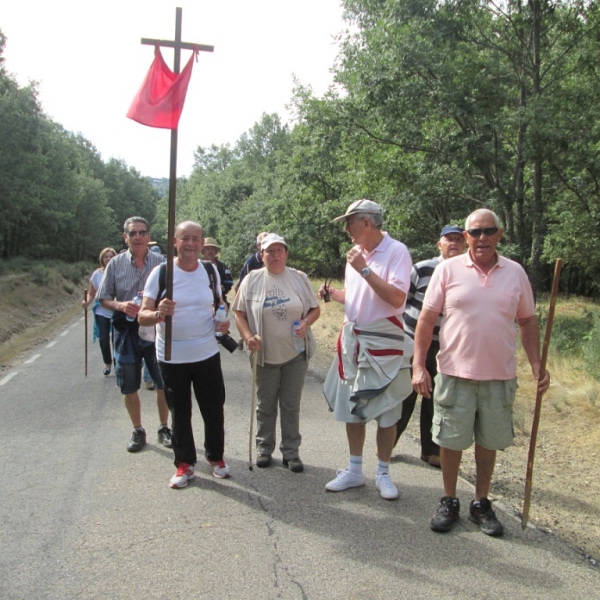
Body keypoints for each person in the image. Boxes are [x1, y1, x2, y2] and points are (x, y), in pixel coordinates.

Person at [412, 208, 550, 536]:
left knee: (488, 442)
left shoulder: (515, 273)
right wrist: (419, 365)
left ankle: (480, 502)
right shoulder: (448, 270)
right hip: (454, 372)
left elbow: (528, 321)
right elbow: (426, 319)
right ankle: (449, 499)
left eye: (489, 231)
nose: (482, 238)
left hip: (498, 375)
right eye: (475, 232)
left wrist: (535, 364)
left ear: (500, 234)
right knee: (451, 439)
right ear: (467, 236)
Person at [319, 199, 413, 500]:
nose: (346, 228)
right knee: (352, 407)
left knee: (387, 411)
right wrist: (334, 294)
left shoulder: (397, 251)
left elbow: (397, 299)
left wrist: (364, 270)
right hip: (355, 342)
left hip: (385, 344)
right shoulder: (355, 256)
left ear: (367, 223)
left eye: (350, 222)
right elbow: (358, 297)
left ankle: (383, 473)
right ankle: (355, 470)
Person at [139, 221, 231, 488]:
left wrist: (221, 319)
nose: (190, 243)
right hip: (172, 355)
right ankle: (184, 464)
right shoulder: (162, 273)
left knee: (213, 409)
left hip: (206, 352)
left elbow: (219, 302)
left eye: (195, 239)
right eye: (185, 238)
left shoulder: (209, 270)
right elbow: (142, 317)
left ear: (203, 244)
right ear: (175, 242)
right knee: (180, 412)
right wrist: (158, 313)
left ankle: (216, 457)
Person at [233, 233, 320, 473]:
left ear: (286, 253)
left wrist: (306, 323)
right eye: (270, 251)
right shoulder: (252, 279)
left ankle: (291, 453)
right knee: (265, 404)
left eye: (279, 250)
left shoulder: (299, 278)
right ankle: (264, 448)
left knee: (291, 405)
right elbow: (238, 313)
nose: (275, 255)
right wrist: (248, 337)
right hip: (264, 354)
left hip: (295, 354)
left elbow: (314, 309)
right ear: (261, 255)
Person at [97, 216, 172, 453]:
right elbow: (103, 297)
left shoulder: (163, 263)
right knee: (129, 384)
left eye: (142, 232)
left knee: (162, 382)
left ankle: (164, 427)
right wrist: (120, 305)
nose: (138, 237)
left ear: (149, 236)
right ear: (125, 237)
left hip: (155, 329)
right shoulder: (115, 264)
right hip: (125, 331)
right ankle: (138, 430)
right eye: (133, 233)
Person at [394, 225, 467, 467]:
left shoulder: (469, 273)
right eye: (449, 239)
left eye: (459, 239)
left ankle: (430, 450)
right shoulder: (422, 268)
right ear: (440, 244)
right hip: (413, 340)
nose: (454, 243)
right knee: (403, 395)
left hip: (446, 347)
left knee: (435, 398)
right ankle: (387, 444)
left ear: (466, 244)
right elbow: (401, 300)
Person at [83, 247, 116, 376]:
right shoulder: (97, 274)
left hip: (117, 310)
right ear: (102, 259)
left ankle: (118, 362)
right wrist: (86, 302)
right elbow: (91, 293)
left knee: (117, 339)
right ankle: (107, 363)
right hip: (102, 311)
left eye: (110, 256)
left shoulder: (119, 271)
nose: (108, 259)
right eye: (106, 257)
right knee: (103, 339)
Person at [202, 237, 234, 305]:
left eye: (212, 249)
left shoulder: (223, 267)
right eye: (207, 249)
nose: (210, 251)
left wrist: (221, 289)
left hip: (220, 302)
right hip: (202, 303)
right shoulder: (197, 266)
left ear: (216, 251)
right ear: (203, 251)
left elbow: (229, 282)